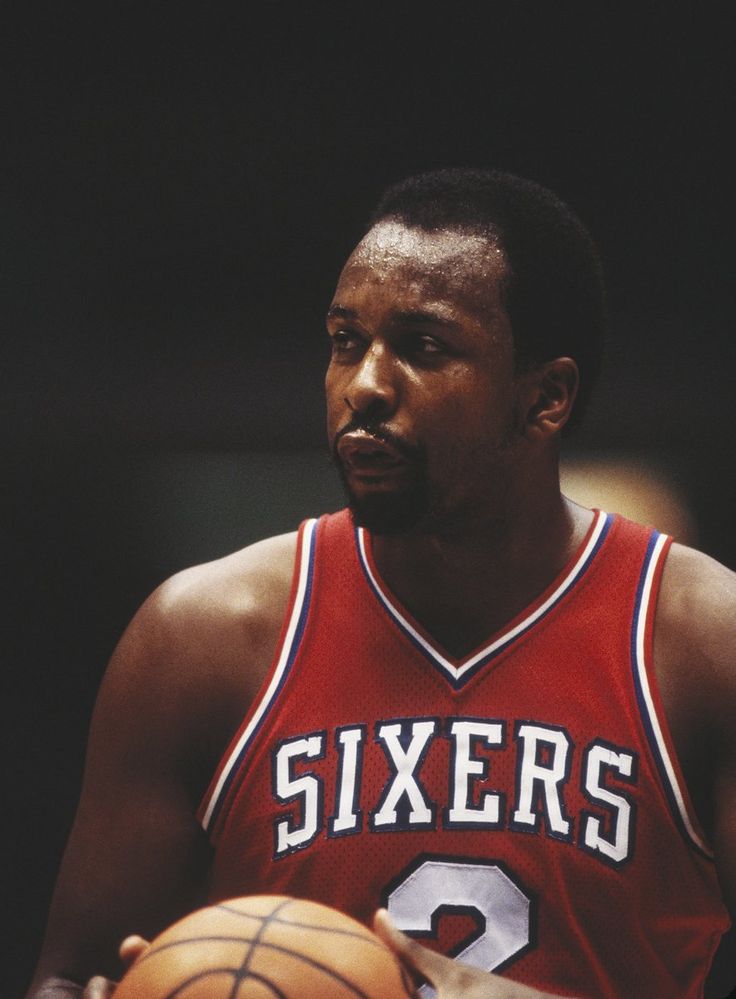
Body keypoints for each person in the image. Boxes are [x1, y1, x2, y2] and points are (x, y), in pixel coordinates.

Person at [27, 168, 735, 998]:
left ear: (546, 398)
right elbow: (71, 978)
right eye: (344, 341)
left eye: (423, 346)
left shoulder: (700, 643)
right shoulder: (202, 638)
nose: (363, 384)